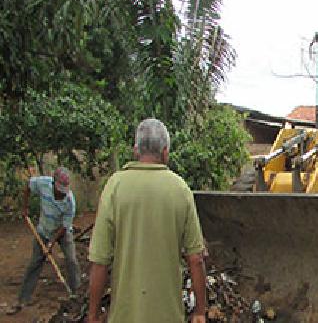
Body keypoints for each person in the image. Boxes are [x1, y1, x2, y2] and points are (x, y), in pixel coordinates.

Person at [88, 118, 206, 323]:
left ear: (136, 150)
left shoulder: (115, 187)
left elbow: (100, 261)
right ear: (165, 152)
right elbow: (196, 259)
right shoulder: (181, 189)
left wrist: (93, 315)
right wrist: (200, 311)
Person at [7, 167, 80, 315]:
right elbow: (28, 186)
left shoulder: (70, 202)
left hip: (62, 232)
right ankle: (22, 300)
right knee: (35, 262)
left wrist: (51, 243)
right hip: (43, 230)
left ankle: (77, 295)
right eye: (59, 190)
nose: (62, 193)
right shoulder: (42, 183)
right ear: (53, 183)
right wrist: (25, 208)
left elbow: (64, 227)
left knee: (72, 260)